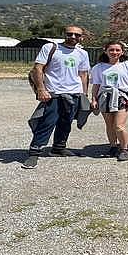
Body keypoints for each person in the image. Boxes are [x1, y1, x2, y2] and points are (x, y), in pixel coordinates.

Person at [23, 26, 90, 169]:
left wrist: (84, 95)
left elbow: (83, 74)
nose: (73, 37)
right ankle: (34, 152)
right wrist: (41, 89)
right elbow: (38, 68)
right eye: (69, 34)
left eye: (76, 35)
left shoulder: (82, 53)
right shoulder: (51, 47)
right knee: (47, 122)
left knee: (66, 122)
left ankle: (59, 147)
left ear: (81, 37)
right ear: (64, 34)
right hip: (54, 93)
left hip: (74, 93)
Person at [90, 41, 128, 162]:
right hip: (105, 97)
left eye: (117, 50)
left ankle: (124, 149)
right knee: (110, 125)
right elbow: (96, 85)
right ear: (105, 51)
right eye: (111, 50)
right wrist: (94, 99)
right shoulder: (98, 67)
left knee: (119, 126)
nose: (114, 52)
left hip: (122, 96)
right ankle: (113, 146)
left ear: (122, 52)